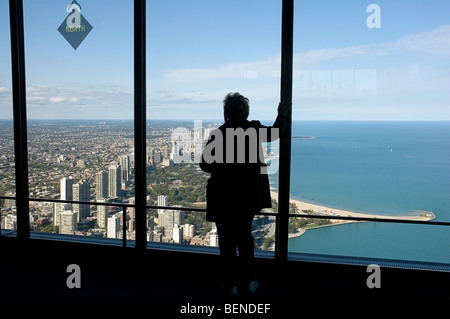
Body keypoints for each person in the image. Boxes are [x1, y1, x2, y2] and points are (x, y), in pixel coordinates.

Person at [199, 92, 291, 296]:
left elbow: (205, 165)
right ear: (245, 111)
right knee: (244, 237)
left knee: (226, 240)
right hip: (248, 195)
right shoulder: (253, 129)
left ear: (226, 112)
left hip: (222, 195)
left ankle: (229, 284)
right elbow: (276, 133)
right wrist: (281, 114)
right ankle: (249, 280)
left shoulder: (218, 134)